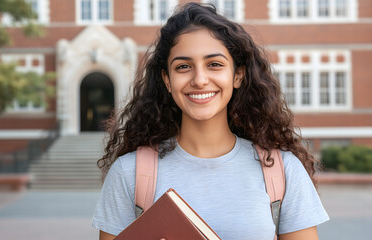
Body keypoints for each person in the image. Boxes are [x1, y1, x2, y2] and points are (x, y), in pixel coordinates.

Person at [92, 3, 329, 240]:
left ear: (237, 75)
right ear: (167, 80)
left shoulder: (282, 171)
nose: (200, 79)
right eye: (183, 67)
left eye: (214, 64)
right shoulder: (129, 174)